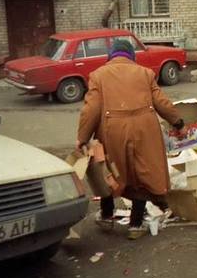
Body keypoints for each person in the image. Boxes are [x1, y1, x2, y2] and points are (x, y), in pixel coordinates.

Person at [76, 39, 184, 240]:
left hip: (112, 131)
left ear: (111, 55)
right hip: (145, 131)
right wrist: (177, 122)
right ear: (131, 56)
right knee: (140, 173)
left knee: (109, 172)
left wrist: (83, 138)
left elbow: (90, 110)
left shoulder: (98, 76)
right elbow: (161, 101)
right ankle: (135, 224)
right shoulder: (145, 73)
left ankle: (107, 216)